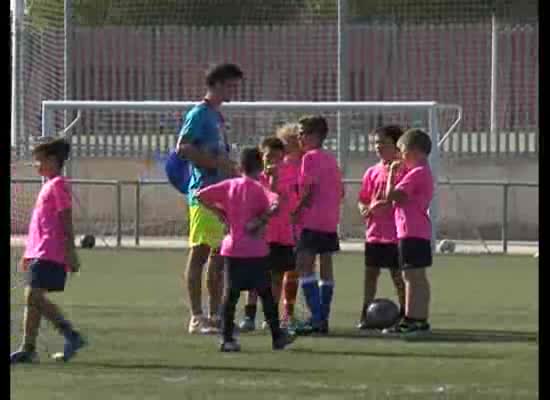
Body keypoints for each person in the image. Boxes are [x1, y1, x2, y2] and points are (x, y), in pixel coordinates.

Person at [196, 147, 296, 351]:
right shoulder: (259, 188)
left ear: (240, 166)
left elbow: (200, 196)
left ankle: (226, 339)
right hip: (256, 250)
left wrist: (221, 213)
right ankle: (277, 336)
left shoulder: (230, 185)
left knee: (230, 295)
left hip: (232, 248)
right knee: (266, 294)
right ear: (260, 166)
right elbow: (276, 204)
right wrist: (260, 220)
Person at [177, 63, 243, 334]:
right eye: (230, 85)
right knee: (201, 253)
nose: (234, 90)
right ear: (215, 84)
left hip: (221, 194)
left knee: (220, 256)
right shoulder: (199, 113)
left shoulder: (217, 117)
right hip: (203, 194)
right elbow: (183, 148)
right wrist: (215, 164)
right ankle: (196, 316)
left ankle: (216, 315)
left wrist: (230, 168)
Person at [11, 138, 86, 364]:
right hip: (39, 251)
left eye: (39, 160)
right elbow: (39, 223)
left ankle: (71, 335)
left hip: (51, 250)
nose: (36, 165)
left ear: (52, 160)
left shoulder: (59, 184)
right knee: (33, 298)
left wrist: (70, 250)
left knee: (32, 296)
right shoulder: (49, 185)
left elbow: (65, 217)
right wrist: (28, 253)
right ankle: (28, 348)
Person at [239, 137, 297, 331]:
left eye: (278, 158)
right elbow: (263, 203)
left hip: (282, 235)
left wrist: (277, 179)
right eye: (269, 157)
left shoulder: (289, 177)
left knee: (277, 277)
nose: (273, 162)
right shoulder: (255, 180)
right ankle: (249, 315)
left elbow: (284, 205)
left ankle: (270, 316)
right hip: (261, 236)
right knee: (255, 277)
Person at [292, 116, 343, 335]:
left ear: (315, 136)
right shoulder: (331, 160)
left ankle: (317, 318)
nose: (299, 137)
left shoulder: (309, 158)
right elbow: (340, 192)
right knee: (326, 265)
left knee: (304, 264)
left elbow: (308, 191)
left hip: (312, 219)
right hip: (330, 220)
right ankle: (322, 317)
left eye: (302, 133)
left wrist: (295, 211)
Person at [383, 128, 434, 335]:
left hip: (411, 231)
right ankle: (420, 319)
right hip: (418, 230)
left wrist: (391, 175)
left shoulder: (417, 173)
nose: (401, 156)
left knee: (410, 276)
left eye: (402, 151)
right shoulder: (422, 172)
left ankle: (411, 319)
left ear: (414, 151)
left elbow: (392, 195)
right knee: (418, 276)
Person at [356, 126, 406, 330]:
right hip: (374, 235)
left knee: (399, 277)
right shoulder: (371, 171)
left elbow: (401, 198)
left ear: (396, 145)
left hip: (395, 235)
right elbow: (363, 199)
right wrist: (364, 208)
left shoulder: (404, 170)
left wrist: (385, 205)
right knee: (370, 275)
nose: (378, 146)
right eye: (376, 142)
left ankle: (405, 314)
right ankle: (366, 313)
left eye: (383, 142)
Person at [275, 123, 303, 329]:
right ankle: (271, 313)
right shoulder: (279, 167)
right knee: (275, 271)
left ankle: (288, 313)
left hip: (299, 224)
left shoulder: (306, 164)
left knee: (293, 270)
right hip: (279, 225)